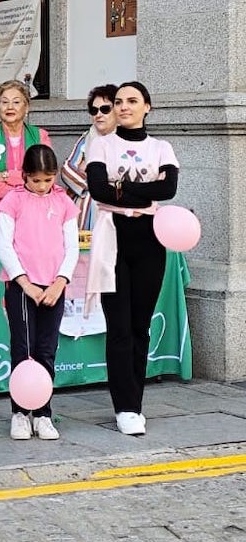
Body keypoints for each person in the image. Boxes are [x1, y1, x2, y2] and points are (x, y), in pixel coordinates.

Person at [85, 82, 178, 436]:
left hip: (150, 239)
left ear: (147, 107)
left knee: (141, 325)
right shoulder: (102, 144)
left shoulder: (161, 147)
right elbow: (98, 189)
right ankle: (124, 406)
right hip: (113, 239)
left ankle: (136, 402)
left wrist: (122, 188)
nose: (123, 107)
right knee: (119, 327)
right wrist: (138, 191)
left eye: (131, 101)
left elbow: (167, 189)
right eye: (118, 102)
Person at [0, 145, 80, 441]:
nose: (43, 186)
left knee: (46, 350)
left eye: (48, 180)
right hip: (21, 287)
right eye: (36, 180)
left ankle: (43, 413)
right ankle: (19, 413)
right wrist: (25, 283)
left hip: (54, 286)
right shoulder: (12, 201)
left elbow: (72, 246)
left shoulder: (64, 202)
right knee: (23, 348)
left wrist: (60, 281)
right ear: (24, 176)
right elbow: (3, 246)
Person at [0, 79, 51, 244]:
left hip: (30, 219)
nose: (10, 107)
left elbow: (44, 176)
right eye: (4, 102)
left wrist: (5, 175)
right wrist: (21, 190)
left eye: (16, 102)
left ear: (26, 107)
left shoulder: (40, 136)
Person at [61, 85, 119, 232]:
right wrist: (95, 184)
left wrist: (86, 168)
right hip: (83, 211)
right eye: (94, 110)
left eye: (105, 109)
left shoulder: (127, 140)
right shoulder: (87, 138)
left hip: (114, 210)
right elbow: (67, 169)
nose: (99, 114)